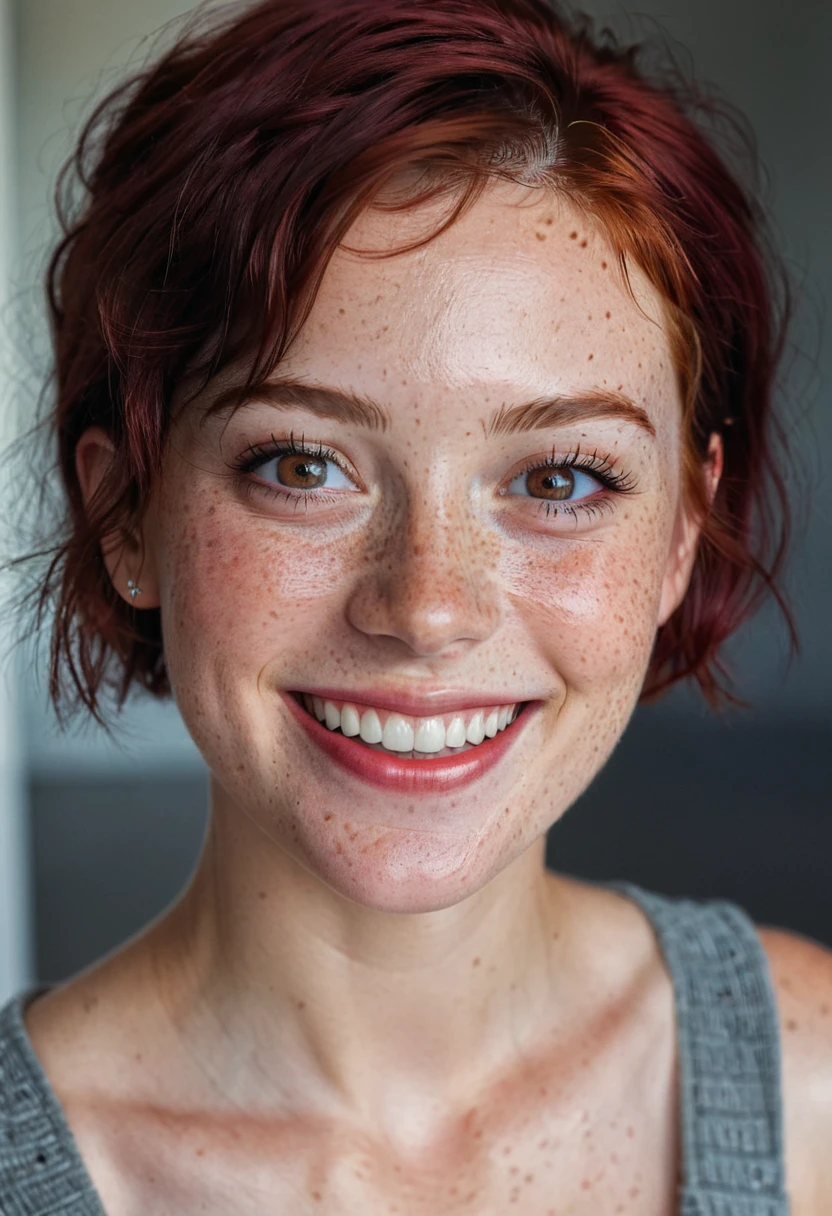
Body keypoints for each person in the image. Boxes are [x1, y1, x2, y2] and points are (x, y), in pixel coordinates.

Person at [1, 0, 829, 1211]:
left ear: (679, 537)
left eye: (561, 479)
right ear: (129, 513)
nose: (428, 607)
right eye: (301, 464)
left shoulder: (816, 1093)